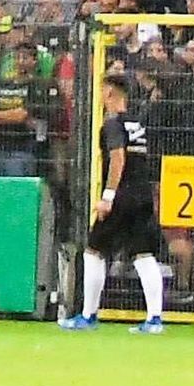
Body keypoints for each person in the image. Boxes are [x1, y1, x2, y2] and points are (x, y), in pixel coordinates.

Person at [65, 70, 166, 331]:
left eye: (101, 90)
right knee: (143, 254)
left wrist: (107, 197)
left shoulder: (111, 124)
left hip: (122, 196)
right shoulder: (138, 123)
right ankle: (155, 319)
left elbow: (118, 158)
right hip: (142, 194)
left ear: (110, 92)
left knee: (94, 250)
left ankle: (88, 316)